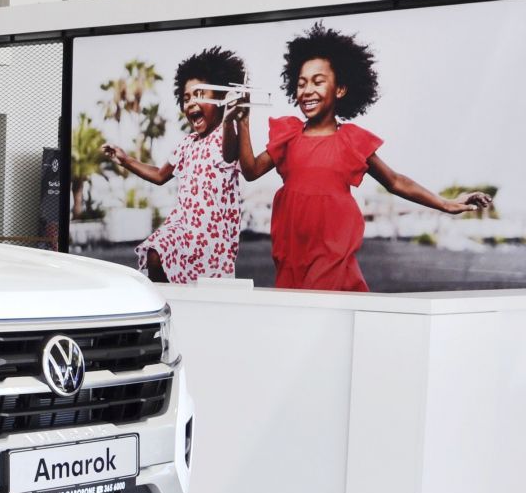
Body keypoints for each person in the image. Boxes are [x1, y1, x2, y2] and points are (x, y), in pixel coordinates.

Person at [234, 21, 493, 292]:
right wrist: (243, 123)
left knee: (324, 304)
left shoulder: (352, 141)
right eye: (301, 84)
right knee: (297, 310)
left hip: (332, 253)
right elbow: (251, 170)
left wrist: (446, 203)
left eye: (318, 82)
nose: (307, 90)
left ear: (340, 89)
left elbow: (395, 181)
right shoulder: (288, 135)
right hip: (291, 253)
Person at [105, 46, 246, 283]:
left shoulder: (226, 135)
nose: (191, 103)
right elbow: (160, 175)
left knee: (205, 294)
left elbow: (229, 153)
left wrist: (230, 117)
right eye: (186, 98)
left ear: (220, 98)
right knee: (155, 253)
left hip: (213, 241)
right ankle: (165, 299)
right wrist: (125, 160)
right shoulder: (187, 144)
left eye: (199, 94)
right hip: (184, 230)